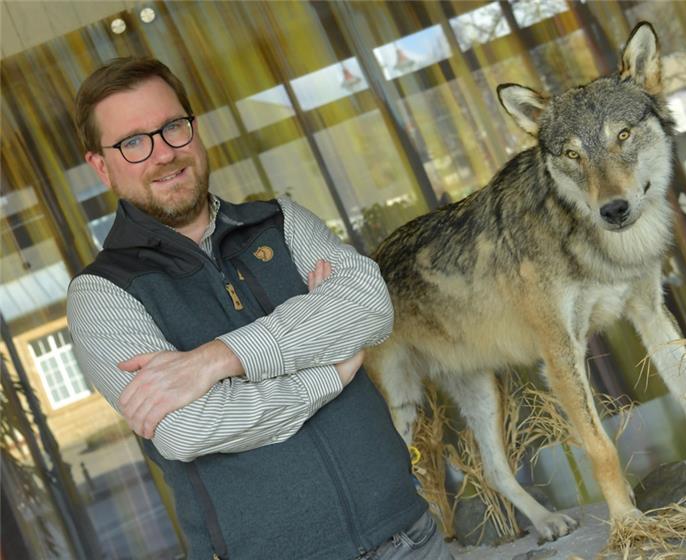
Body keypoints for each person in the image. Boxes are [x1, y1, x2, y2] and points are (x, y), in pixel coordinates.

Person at [67, 57, 452, 560]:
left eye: (172, 128)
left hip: (411, 537)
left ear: (194, 129)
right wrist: (328, 373)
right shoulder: (102, 294)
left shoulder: (280, 220)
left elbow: (368, 306)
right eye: (134, 142)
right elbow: (187, 427)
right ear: (101, 165)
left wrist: (217, 359)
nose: (163, 154)